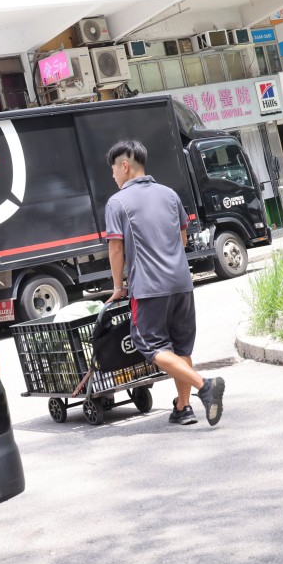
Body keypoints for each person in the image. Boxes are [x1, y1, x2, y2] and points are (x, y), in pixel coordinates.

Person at [104, 140, 225, 426]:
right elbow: (182, 239)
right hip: (182, 283)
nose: (113, 176)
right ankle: (183, 408)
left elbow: (116, 250)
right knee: (181, 348)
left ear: (124, 166)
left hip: (148, 287)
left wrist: (119, 287)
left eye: (113, 170)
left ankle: (205, 386)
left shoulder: (117, 202)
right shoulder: (169, 194)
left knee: (151, 345)